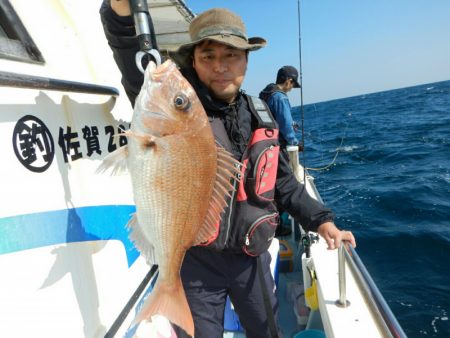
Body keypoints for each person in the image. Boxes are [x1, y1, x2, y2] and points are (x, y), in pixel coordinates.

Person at [100, 2, 356, 337]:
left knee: (268, 331)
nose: (220, 67)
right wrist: (120, 11)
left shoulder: (260, 113)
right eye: (208, 56)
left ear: (247, 61)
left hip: (250, 259)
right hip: (194, 262)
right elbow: (130, 54)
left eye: (231, 55)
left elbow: (283, 183)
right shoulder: (174, 105)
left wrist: (321, 219)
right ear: (193, 60)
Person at [259, 66, 301, 148]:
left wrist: (293, 123)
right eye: (293, 84)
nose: (291, 88)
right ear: (289, 81)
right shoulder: (280, 97)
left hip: (265, 141)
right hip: (277, 145)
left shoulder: (267, 92)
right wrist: (295, 142)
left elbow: (273, 116)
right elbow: (285, 124)